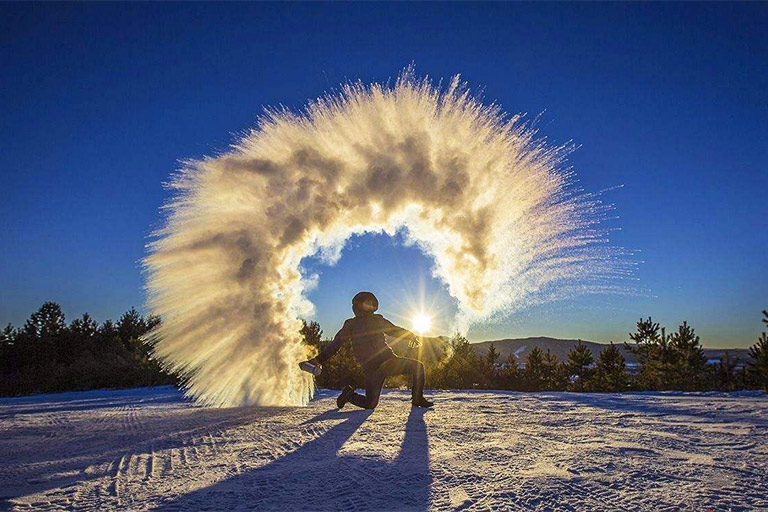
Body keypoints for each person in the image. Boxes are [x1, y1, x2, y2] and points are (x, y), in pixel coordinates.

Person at [304, 291, 433, 409]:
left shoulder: (378, 320)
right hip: (371, 368)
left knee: (418, 366)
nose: (369, 306)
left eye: (371, 303)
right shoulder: (351, 325)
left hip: (388, 361)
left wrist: (410, 335)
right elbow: (336, 344)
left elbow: (394, 330)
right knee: (370, 404)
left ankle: (417, 399)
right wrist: (319, 359)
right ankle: (349, 395)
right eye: (366, 303)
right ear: (358, 305)